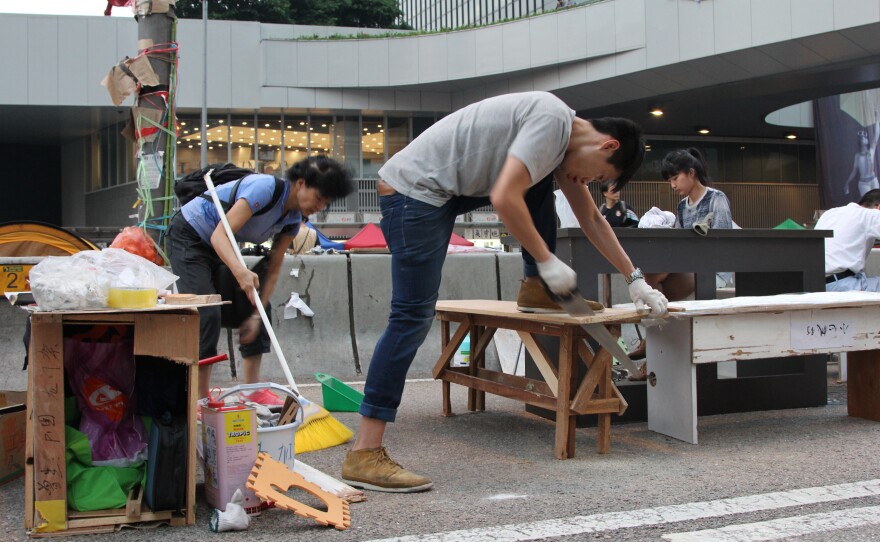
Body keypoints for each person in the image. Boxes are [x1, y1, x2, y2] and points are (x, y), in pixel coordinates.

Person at [341, 91, 668, 493]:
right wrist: (547, 259)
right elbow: (503, 197)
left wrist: (635, 279)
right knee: (410, 316)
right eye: (596, 175)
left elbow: (593, 220)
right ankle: (365, 452)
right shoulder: (551, 121)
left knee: (538, 183)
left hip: (445, 189)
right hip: (414, 193)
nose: (587, 183)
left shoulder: (560, 144)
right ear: (607, 145)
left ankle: (535, 289)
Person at [167, 156, 353, 403]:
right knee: (207, 312)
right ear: (300, 184)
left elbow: (273, 270)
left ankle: (251, 390)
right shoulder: (264, 188)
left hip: (219, 247)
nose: (319, 206)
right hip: (189, 236)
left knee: (259, 308)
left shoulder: (292, 221)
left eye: (325, 203)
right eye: (319, 198)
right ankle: (198, 399)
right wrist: (240, 272)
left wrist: (255, 316)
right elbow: (220, 235)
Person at [633, 148, 733, 361]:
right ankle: (657, 353)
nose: (673, 185)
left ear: (691, 173)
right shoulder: (681, 206)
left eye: (675, 178)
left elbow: (723, 243)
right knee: (652, 283)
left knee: (651, 278)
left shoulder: (716, 198)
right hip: (688, 267)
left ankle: (653, 351)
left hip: (712, 271)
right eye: (670, 181)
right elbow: (677, 244)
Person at [815, 188, 880, 292]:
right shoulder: (871, 215)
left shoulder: (829, 213)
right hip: (843, 285)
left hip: (817, 284)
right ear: (878, 206)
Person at [844, 110, 879, 198]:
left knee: (878, 202)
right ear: (860, 140)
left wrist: (877, 119)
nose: (865, 137)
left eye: (865, 136)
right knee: (868, 204)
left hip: (873, 180)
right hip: (863, 183)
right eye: (862, 136)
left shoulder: (871, 150)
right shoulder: (858, 156)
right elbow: (854, 171)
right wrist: (847, 183)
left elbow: (876, 135)